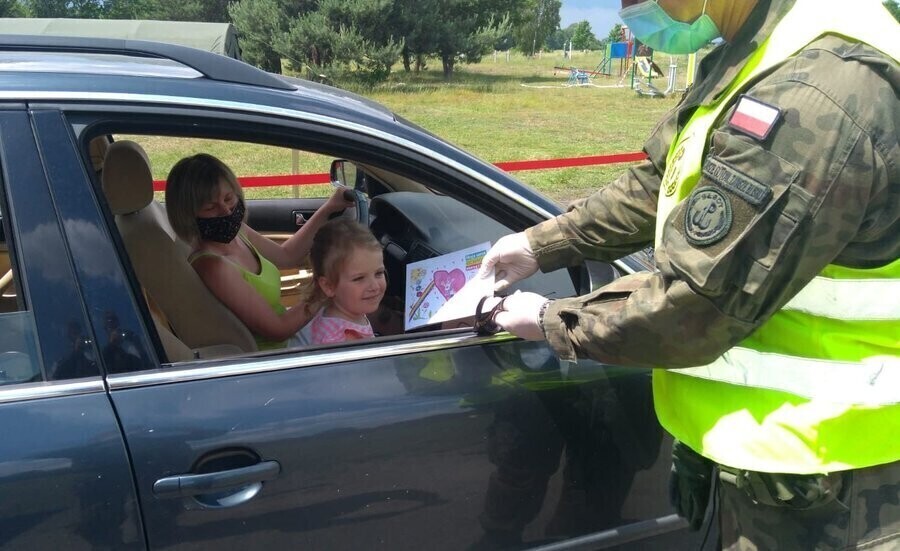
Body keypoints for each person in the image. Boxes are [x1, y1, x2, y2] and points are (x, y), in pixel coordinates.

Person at [478, 0, 899, 548]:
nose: (630, 9)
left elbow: (695, 303)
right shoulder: (754, 51)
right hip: (762, 461)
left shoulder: (817, 90)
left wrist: (550, 318)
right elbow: (661, 181)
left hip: (829, 479)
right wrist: (540, 245)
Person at [165, 153, 353, 350]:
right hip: (275, 354)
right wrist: (327, 287)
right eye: (211, 207)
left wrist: (329, 208)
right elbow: (277, 329)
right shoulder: (212, 265)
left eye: (229, 198)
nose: (226, 211)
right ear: (188, 215)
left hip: (292, 336)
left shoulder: (237, 232)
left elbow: (287, 256)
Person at [293, 218, 386, 345]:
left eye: (379, 273)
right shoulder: (342, 340)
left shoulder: (343, 311)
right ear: (328, 286)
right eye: (359, 278)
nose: (374, 286)